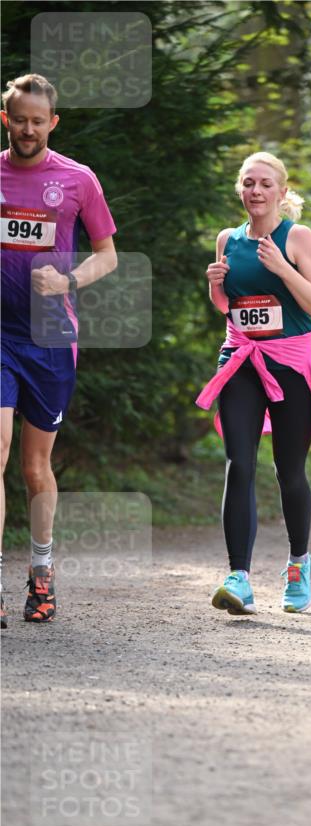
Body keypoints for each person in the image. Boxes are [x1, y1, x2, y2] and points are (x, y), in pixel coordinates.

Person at [196, 151, 311, 615]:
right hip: (240, 360)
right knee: (239, 463)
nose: (256, 191)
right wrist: (215, 285)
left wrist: (284, 268)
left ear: (282, 193)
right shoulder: (227, 239)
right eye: (248, 183)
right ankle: (238, 577)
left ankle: (299, 564)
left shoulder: (298, 237)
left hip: (292, 365)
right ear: (240, 190)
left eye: (265, 184)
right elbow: (229, 308)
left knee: (289, 470)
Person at [1, 74, 117, 627]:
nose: (28, 129)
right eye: (19, 119)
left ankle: (41, 575)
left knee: (34, 467)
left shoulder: (77, 179)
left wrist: (69, 283)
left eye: (37, 120)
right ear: (6, 119)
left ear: (53, 122)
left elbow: (107, 255)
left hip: (50, 337)